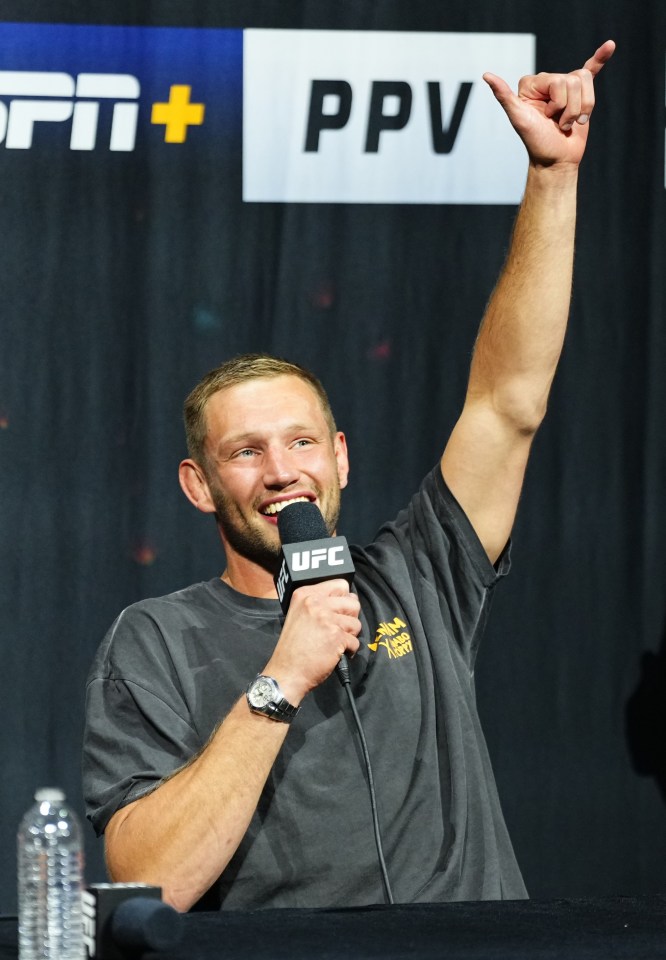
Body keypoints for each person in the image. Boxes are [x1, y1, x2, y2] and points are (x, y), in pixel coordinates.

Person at [83, 40, 615, 912]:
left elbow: (508, 401)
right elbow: (149, 884)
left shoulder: (418, 573)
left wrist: (554, 177)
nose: (281, 471)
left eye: (300, 443)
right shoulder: (154, 642)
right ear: (197, 485)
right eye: (246, 452)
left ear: (341, 458)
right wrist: (281, 677)